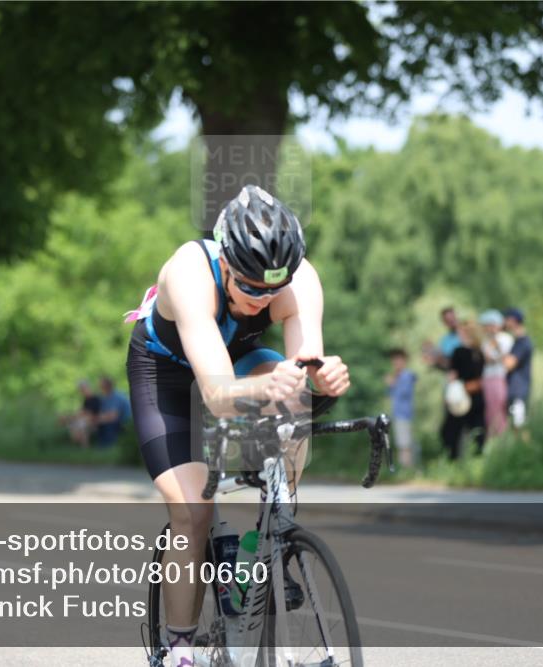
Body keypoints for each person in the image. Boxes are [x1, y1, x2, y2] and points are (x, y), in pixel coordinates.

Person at [125, 184, 350, 666]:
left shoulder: (300, 281)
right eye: (250, 287)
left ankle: (264, 543)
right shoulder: (189, 273)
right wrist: (273, 386)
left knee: (292, 401)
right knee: (192, 512)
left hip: (241, 359)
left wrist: (323, 380)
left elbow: (303, 367)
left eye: (272, 290)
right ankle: (180, 649)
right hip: (168, 374)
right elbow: (218, 396)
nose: (261, 300)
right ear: (226, 262)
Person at [441, 320, 486, 459]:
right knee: (477, 432)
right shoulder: (480, 352)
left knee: (449, 432)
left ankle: (452, 460)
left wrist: (449, 395)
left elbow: (452, 376)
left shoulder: (459, 352)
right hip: (477, 396)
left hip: (461, 398)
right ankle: (477, 460)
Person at [478, 309, 513, 437]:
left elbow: (506, 358)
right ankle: (493, 435)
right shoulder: (485, 342)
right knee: (490, 408)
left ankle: (503, 434)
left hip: (501, 377)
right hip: (488, 377)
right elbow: (487, 359)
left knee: (501, 406)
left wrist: (496, 346)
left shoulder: (506, 338)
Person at [384, 348, 419, 469]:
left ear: (404, 361)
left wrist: (393, 384)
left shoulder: (407, 376)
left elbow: (404, 392)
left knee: (405, 444)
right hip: (398, 414)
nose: (396, 363)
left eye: (398, 360)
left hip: (404, 414)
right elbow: (389, 394)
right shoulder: (397, 376)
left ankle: (407, 469)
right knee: (402, 443)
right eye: (394, 360)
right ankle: (406, 468)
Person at [503, 307, 534, 429]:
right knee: (514, 425)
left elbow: (509, 364)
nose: (505, 322)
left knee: (518, 426)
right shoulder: (518, 341)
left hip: (518, 390)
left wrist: (497, 350)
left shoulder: (523, 342)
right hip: (515, 389)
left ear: (513, 320)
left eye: (507, 319)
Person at [60, 380, 99, 448]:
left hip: (94, 421)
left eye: (83, 389)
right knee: (73, 424)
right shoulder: (86, 400)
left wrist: (74, 417)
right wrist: (70, 417)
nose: (82, 391)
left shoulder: (95, 399)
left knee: (81, 424)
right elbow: (81, 412)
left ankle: (85, 446)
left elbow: (91, 414)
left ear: (88, 388)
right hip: (85, 420)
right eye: (81, 390)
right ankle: (78, 443)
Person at [94, 376, 131, 447]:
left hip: (125, 422)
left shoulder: (116, 396)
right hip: (116, 420)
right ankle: (102, 444)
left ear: (107, 386)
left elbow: (113, 416)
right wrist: (97, 419)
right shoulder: (105, 398)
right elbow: (103, 413)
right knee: (100, 423)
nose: (100, 388)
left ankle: (108, 445)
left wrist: (99, 419)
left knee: (107, 424)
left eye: (101, 386)